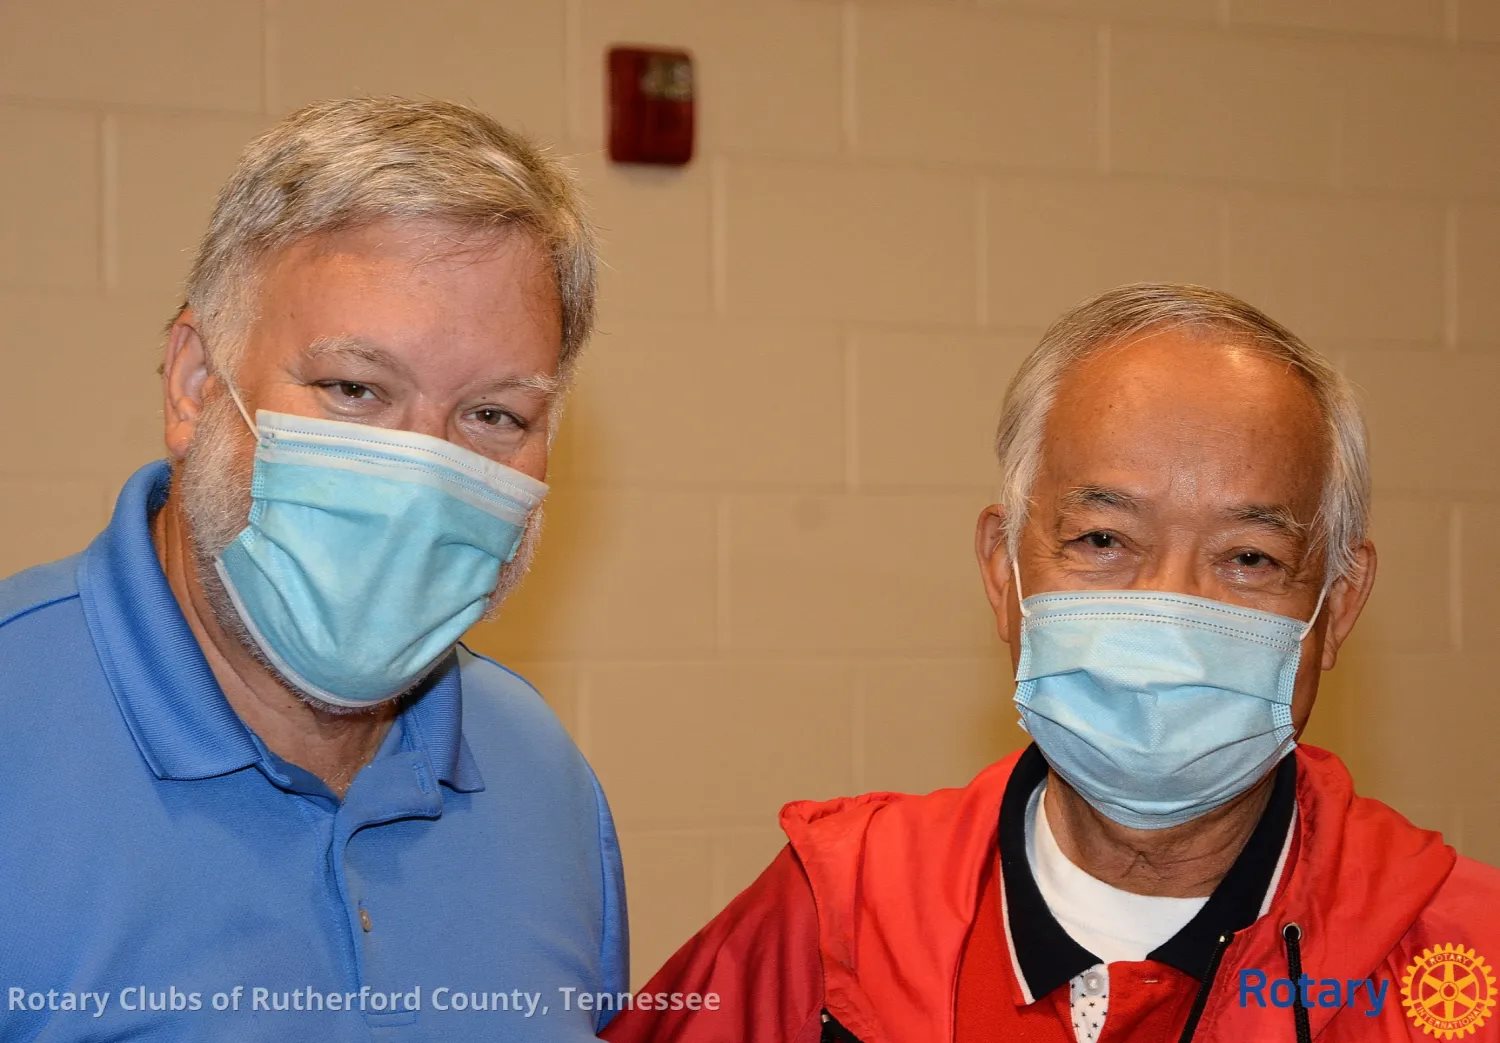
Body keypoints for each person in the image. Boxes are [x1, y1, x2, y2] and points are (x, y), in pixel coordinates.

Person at [601, 284, 1500, 1043]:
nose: (1170, 617)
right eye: (1103, 539)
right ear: (1004, 573)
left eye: (1248, 557)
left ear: (1337, 604)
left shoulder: (1459, 964)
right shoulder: (837, 920)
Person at [0, 97, 626, 1041]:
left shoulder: (540, 776)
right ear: (195, 384)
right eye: (354, 388)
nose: (423, 477)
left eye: (494, 415)